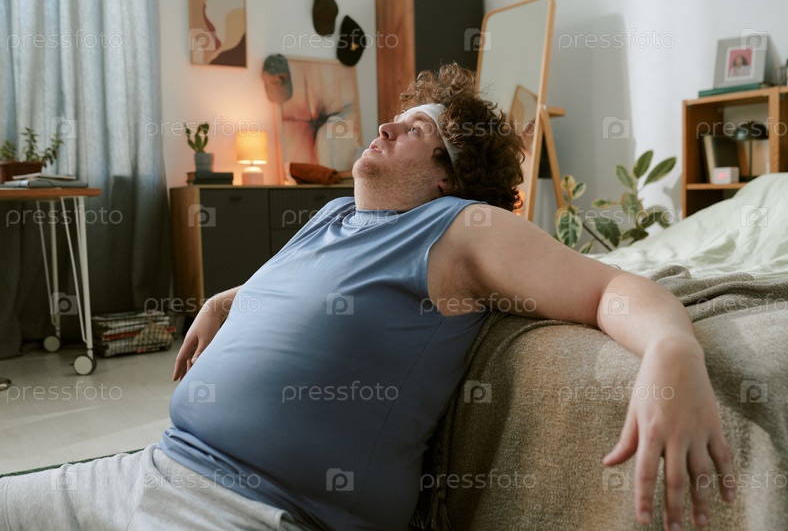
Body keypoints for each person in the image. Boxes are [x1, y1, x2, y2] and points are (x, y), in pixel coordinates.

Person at [0, 64, 733, 531]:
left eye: (415, 130)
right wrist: (232, 297)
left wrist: (672, 350)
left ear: (447, 175)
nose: (385, 125)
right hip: (148, 467)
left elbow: (610, 288)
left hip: (243, 509)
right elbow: (308, 288)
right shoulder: (333, 215)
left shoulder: (462, 227)